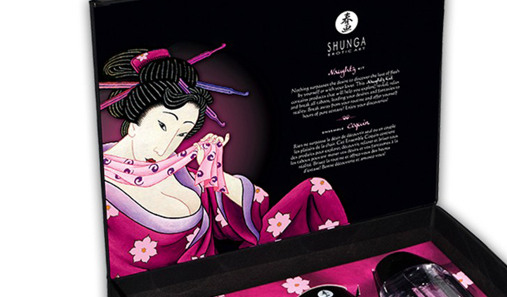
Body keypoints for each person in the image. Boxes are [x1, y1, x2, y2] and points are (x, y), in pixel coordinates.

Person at [100, 48, 347, 276]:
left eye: (182, 134)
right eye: (163, 125)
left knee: (315, 192)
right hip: (163, 296)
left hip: (222, 277)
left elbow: (251, 217)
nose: (165, 148)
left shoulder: (180, 172)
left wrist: (213, 169)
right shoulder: (98, 187)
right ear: (133, 122)